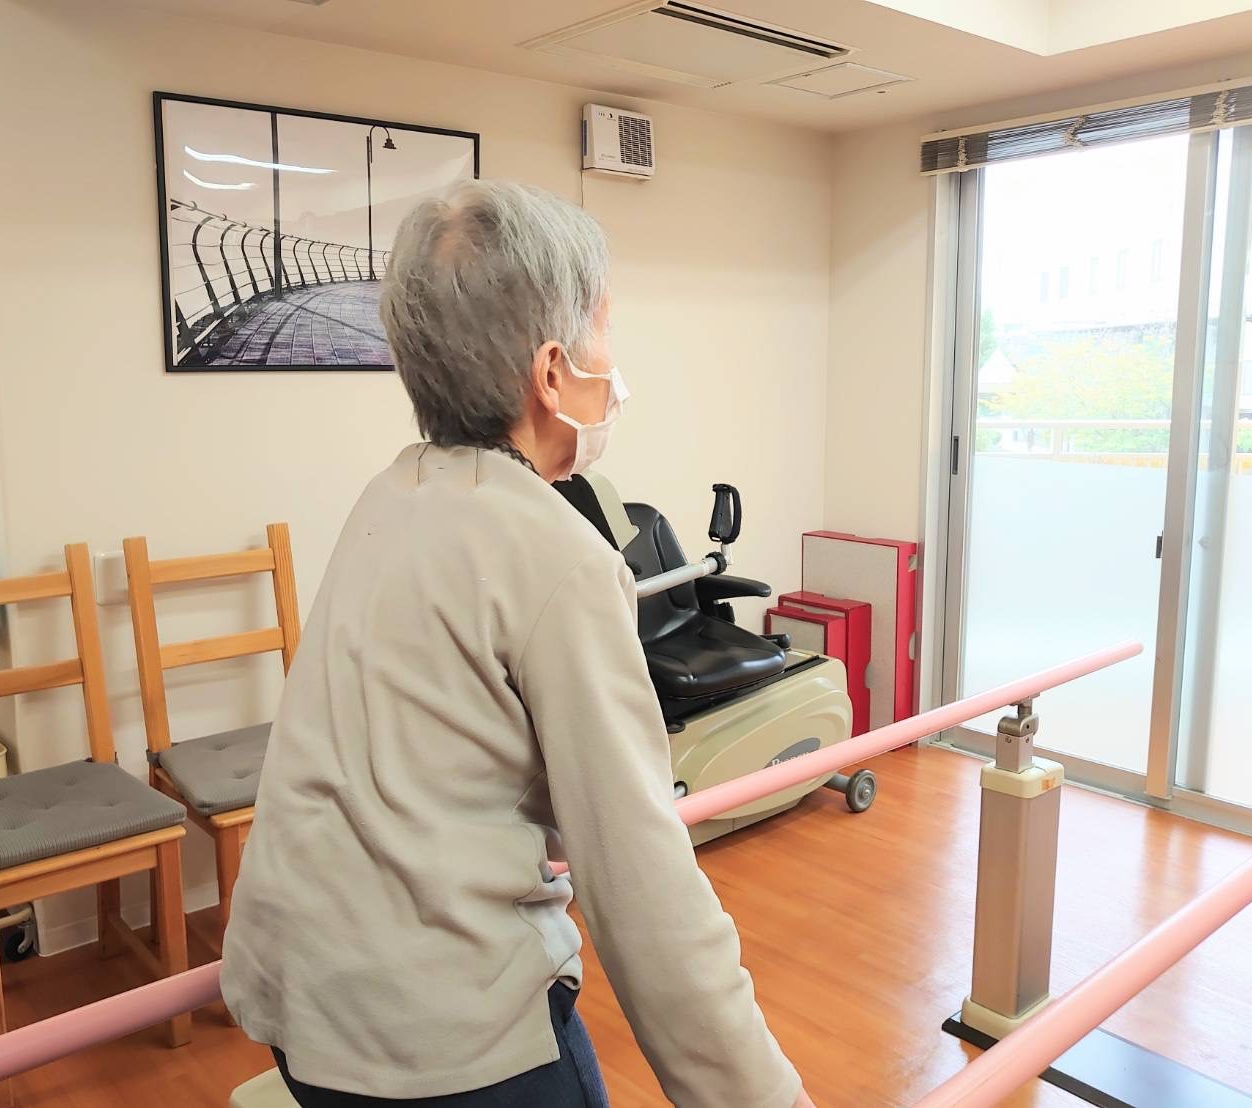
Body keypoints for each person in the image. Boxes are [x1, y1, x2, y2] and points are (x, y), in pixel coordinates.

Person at [222, 181, 811, 1108]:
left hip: (299, 1000)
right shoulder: (556, 554)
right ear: (550, 372)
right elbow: (641, 889)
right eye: (603, 333)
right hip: (439, 1038)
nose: (613, 368)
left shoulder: (390, 496)